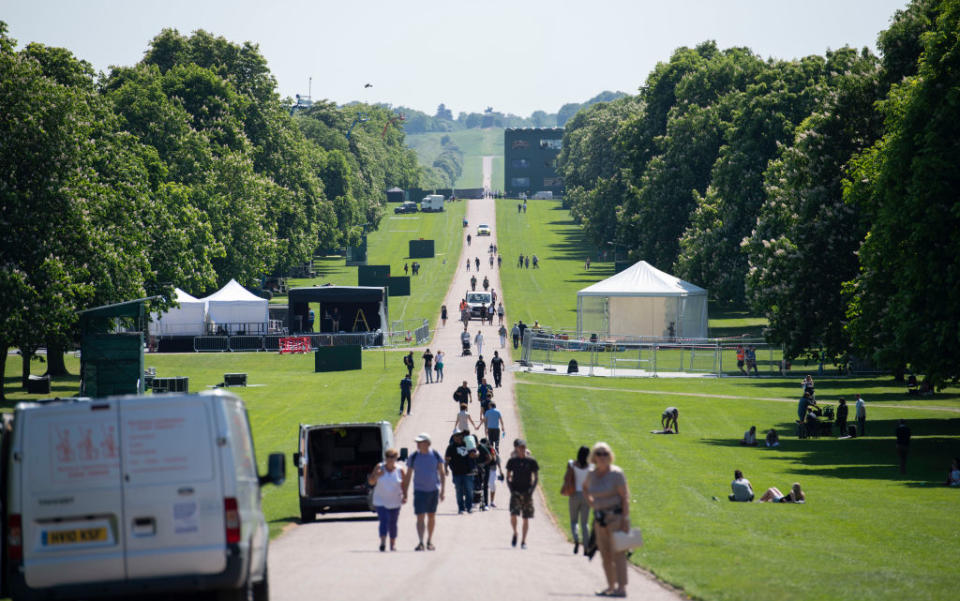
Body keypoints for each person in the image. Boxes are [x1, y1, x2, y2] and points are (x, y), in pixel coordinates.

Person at [583, 442, 630, 598]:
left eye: (605, 453)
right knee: (605, 555)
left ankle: (621, 588)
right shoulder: (592, 474)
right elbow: (584, 488)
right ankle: (610, 587)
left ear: (610, 456)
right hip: (599, 520)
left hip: (616, 518)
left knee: (619, 554)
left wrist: (625, 519)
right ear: (594, 457)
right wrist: (592, 503)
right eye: (599, 453)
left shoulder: (617, 474)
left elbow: (625, 497)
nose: (602, 457)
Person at [401, 433, 446, 551]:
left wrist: (442, 491)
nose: (418, 444)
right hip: (419, 491)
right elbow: (408, 475)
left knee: (431, 516)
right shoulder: (414, 456)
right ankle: (421, 541)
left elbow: (442, 473)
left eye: (420, 442)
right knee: (420, 517)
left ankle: (429, 541)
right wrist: (405, 492)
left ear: (427, 443)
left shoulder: (435, 455)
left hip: (433, 490)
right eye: (417, 442)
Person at [368, 448, 405, 551]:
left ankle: (392, 544)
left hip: (395, 500)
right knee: (384, 520)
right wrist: (376, 476)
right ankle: (383, 542)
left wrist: (405, 495)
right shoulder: (379, 467)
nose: (390, 459)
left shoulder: (400, 470)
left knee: (393, 522)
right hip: (380, 500)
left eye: (393, 457)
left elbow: (404, 484)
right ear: (385, 458)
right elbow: (371, 482)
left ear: (396, 458)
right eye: (388, 457)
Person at [506, 439, 540, 549]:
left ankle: (524, 541)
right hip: (516, 491)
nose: (522, 450)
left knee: (526, 517)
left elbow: (536, 478)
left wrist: (531, 490)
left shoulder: (531, 461)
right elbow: (508, 476)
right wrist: (511, 489)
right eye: (520, 448)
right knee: (513, 515)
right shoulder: (512, 461)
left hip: (527, 492)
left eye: (523, 448)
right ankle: (515, 532)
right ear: (517, 449)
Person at [562, 446, 592, 554]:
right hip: (586, 496)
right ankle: (586, 546)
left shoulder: (572, 464)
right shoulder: (591, 467)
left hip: (574, 494)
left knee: (574, 520)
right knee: (584, 523)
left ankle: (576, 540)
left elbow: (566, 476)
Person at [445, 430, 477, 514]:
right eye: (455, 436)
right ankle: (461, 508)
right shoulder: (451, 447)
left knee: (469, 491)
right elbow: (447, 458)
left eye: (459, 435)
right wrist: (446, 468)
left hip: (468, 472)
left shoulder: (467, 444)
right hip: (456, 473)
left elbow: (475, 452)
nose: (457, 437)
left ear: (461, 436)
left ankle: (469, 507)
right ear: (453, 437)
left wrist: (476, 454)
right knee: (459, 492)